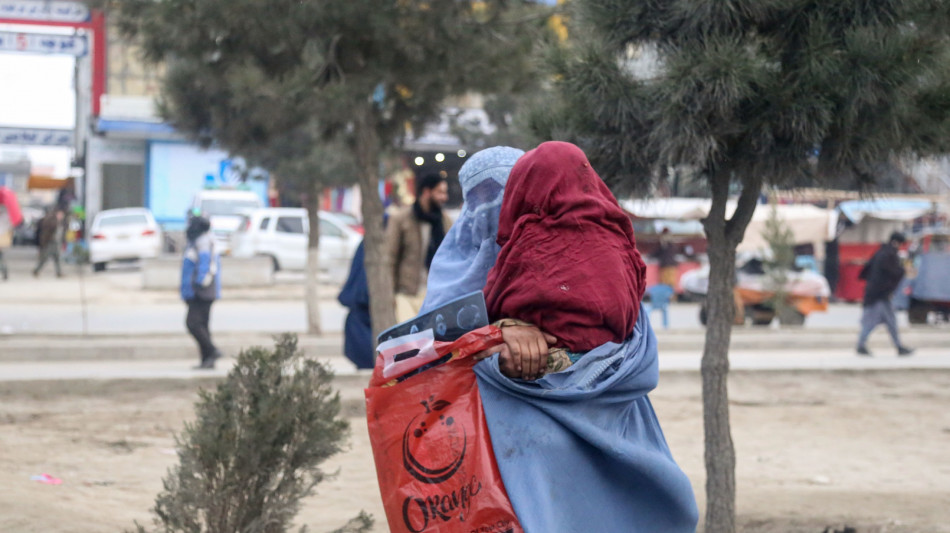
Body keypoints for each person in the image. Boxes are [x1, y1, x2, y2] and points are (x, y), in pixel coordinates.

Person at [424, 141, 697, 531]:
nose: (495, 209)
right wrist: (494, 338)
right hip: (500, 453)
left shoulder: (595, 260)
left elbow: (635, 353)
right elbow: (414, 354)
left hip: (608, 432)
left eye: (507, 193)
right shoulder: (454, 269)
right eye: (481, 198)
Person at [419, 146, 524, 314]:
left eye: (496, 195)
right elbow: (432, 325)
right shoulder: (452, 255)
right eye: (476, 198)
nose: (484, 207)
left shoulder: (540, 253)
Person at [385, 173, 452, 323]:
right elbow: (389, 259)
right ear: (427, 192)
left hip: (435, 295)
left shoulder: (445, 221)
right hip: (406, 294)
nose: (444, 197)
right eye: (440, 192)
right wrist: (390, 295)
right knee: (410, 343)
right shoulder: (401, 219)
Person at [856, 231, 914, 356]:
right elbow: (893, 273)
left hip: (875, 292)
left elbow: (866, 270)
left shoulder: (880, 252)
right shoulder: (889, 255)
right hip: (880, 294)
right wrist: (903, 270)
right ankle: (861, 345)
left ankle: (898, 347)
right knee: (875, 321)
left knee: (888, 321)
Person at [180, 215, 222, 369]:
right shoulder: (197, 241)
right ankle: (207, 360)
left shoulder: (203, 241)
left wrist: (198, 285)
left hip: (201, 291)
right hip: (198, 290)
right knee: (203, 325)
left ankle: (212, 350)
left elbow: (205, 266)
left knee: (193, 323)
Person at [33, 208, 65, 278]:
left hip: (56, 243)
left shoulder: (60, 222)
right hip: (50, 243)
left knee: (57, 258)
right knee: (44, 258)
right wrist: (43, 243)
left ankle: (59, 272)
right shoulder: (51, 221)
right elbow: (45, 233)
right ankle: (36, 270)